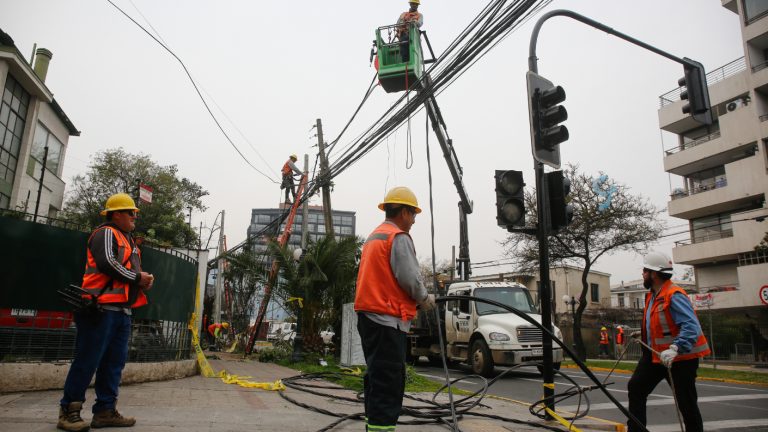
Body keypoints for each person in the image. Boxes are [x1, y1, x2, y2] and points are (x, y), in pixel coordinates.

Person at [58, 193, 154, 431]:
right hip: (99, 309)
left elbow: (128, 272)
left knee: (114, 364)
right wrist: (137, 278)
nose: (135, 217)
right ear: (118, 214)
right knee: (87, 361)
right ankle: (68, 411)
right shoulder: (106, 233)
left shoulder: (129, 240)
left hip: (121, 311)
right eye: (131, 212)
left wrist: (144, 281)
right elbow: (107, 263)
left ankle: (105, 412)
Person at [354, 186, 435, 432]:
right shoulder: (397, 237)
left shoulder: (374, 236)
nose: (413, 221)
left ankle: (374, 427)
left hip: (370, 318)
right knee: (388, 382)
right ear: (403, 212)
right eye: (413, 215)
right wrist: (424, 298)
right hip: (387, 319)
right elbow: (409, 278)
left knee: (377, 379)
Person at [627, 251, 710, 432]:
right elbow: (661, 325)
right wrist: (642, 334)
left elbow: (690, 326)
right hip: (655, 357)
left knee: (686, 403)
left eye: (645, 270)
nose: (642, 274)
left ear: (654, 274)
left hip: (680, 359)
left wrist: (676, 348)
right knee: (636, 388)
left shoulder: (674, 295)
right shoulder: (652, 295)